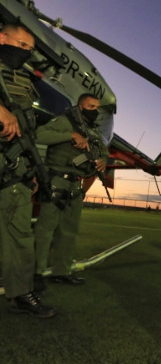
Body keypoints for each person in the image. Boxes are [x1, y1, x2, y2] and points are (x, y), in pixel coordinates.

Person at [0, 22, 56, 318]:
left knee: (20, 233)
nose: (25, 52)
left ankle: (21, 292)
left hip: (14, 168)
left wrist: (32, 170)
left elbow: (28, 133)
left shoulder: (22, 81)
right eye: (21, 45)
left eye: (30, 49)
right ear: (2, 37)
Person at [33, 93, 109, 289]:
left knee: (69, 231)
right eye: (91, 107)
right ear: (81, 107)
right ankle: (36, 273)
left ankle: (62, 271)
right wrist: (70, 136)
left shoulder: (93, 131)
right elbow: (38, 135)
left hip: (76, 184)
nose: (96, 111)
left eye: (97, 107)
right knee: (45, 229)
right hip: (57, 180)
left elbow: (104, 152)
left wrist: (103, 161)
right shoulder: (64, 121)